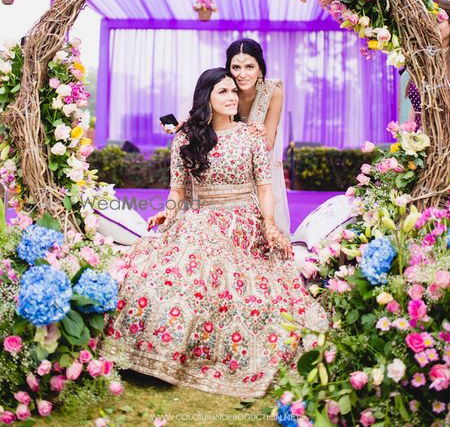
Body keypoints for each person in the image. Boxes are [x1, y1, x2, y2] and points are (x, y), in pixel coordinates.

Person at [102, 68, 327, 399]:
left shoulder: (251, 135)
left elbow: (265, 190)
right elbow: (178, 191)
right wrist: (169, 212)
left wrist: (268, 224)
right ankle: (158, 352)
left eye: (234, 91)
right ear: (206, 97)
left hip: (244, 222)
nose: (233, 96)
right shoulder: (186, 138)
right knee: (174, 261)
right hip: (199, 217)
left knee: (209, 251)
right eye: (223, 91)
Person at [161, 38, 291, 237]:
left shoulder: (272, 92)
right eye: (236, 67)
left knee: (267, 215)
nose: (242, 74)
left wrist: (254, 136)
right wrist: (185, 127)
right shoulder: (227, 85)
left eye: (249, 66)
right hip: (218, 162)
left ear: (260, 68)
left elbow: (269, 141)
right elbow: (206, 111)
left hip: (253, 156)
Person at [406, 0, 450, 127]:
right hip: (421, 139)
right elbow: (415, 107)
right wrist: (407, 137)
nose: (433, 27)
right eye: (429, 23)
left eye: (438, 22)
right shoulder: (423, 58)